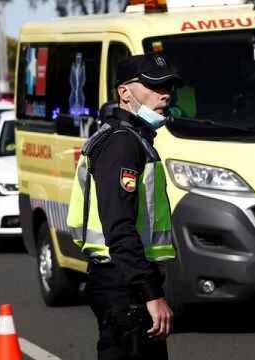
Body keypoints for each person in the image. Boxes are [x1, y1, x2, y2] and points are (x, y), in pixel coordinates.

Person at [67, 53, 182, 360]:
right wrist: (150, 293)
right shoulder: (122, 144)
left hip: (125, 279)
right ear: (124, 92)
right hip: (123, 283)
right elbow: (119, 228)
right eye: (154, 86)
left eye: (168, 85)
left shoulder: (134, 139)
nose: (165, 93)